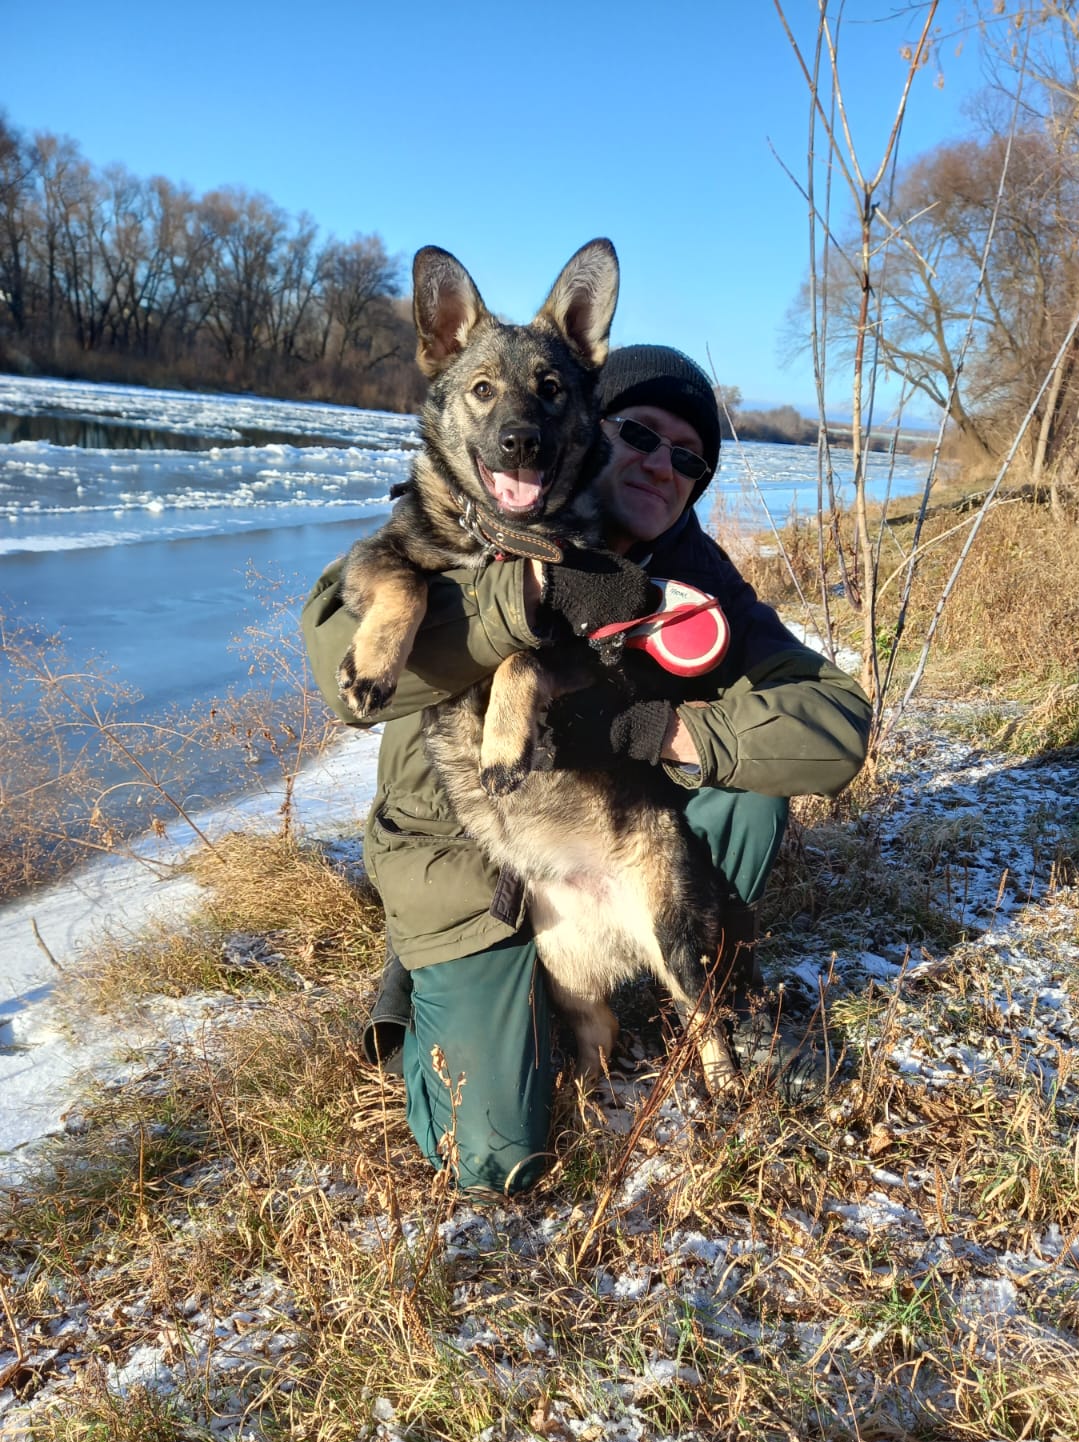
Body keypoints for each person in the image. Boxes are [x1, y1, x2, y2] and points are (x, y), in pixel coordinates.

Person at [301, 346, 871, 1198]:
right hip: (460, 859)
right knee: (495, 1157)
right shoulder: (469, 507)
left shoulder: (695, 575)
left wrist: (661, 729)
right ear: (584, 424)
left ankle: (714, 988)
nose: (662, 465)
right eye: (640, 434)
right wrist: (521, 606)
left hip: (595, 833)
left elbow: (836, 722)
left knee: (752, 791)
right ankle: (429, 994)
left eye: (689, 459)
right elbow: (337, 667)